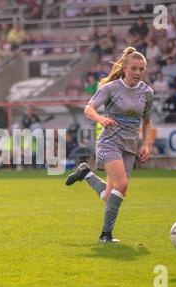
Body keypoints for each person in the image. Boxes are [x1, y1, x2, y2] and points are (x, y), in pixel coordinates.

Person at [65, 47, 154, 243]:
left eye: (142, 69)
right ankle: (106, 235)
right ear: (124, 67)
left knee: (109, 195)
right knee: (122, 186)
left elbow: (147, 122)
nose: (138, 73)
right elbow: (88, 109)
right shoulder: (111, 88)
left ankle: (86, 173)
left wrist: (146, 145)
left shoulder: (147, 93)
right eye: (134, 68)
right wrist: (101, 119)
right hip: (109, 142)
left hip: (130, 147)